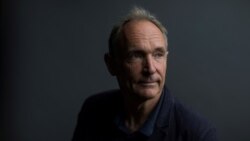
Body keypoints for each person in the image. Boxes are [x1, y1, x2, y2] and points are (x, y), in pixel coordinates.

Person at [72, 7, 217, 141]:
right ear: (112, 64)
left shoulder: (198, 134)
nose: (150, 68)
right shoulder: (93, 110)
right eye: (136, 55)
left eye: (158, 55)